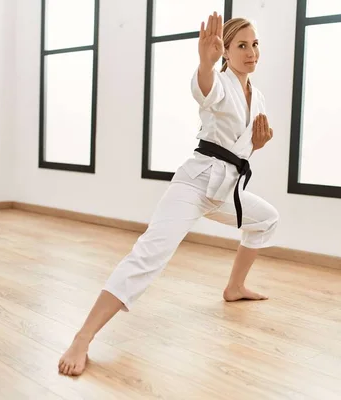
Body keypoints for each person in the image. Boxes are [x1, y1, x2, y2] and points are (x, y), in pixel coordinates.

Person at [58, 12, 278, 377]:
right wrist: (204, 64)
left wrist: (256, 145)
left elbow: (241, 148)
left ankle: (235, 286)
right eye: (241, 45)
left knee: (267, 218)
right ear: (225, 51)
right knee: (148, 256)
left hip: (226, 189)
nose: (251, 52)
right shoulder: (220, 82)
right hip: (195, 184)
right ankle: (82, 337)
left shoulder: (258, 97)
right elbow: (205, 90)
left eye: (255, 44)